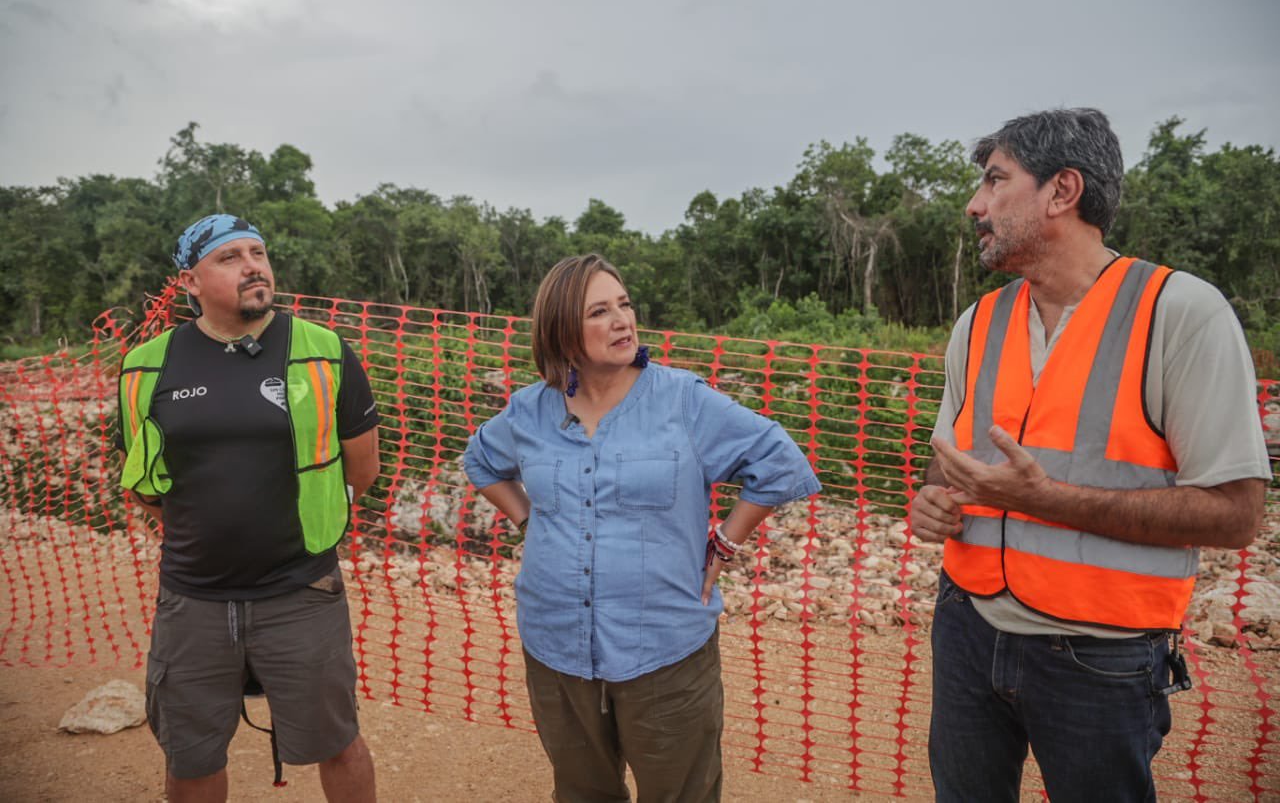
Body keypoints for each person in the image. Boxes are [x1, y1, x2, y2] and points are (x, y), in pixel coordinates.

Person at [909, 109, 1271, 802]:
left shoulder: (1182, 313)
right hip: (967, 627)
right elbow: (947, 465)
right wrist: (935, 501)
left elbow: (1236, 515)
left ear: (1061, 191)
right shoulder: (978, 322)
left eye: (993, 180)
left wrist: (1046, 500)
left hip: (1102, 654)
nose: (974, 204)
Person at [463, 254, 821, 802]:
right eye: (600, 312)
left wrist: (725, 540)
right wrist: (529, 519)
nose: (623, 321)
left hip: (665, 648)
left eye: (625, 305)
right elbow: (482, 462)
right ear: (561, 328)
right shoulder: (528, 410)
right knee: (582, 793)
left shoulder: (683, 400)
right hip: (556, 645)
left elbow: (780, 462)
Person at [117, 213, 381, 803]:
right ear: (190, 281)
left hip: (302, 592)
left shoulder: (325, 351)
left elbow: (361, 468)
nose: (253, 266)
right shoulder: (145, 367)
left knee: (338, 744)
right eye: (229, 257)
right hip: (192, 600)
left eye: (257, 252)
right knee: (191, 757)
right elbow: (144, 482)